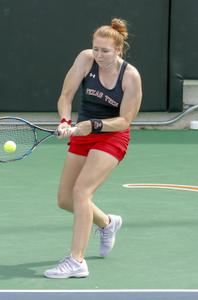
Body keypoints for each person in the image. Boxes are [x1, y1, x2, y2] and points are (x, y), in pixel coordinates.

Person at [44, 18, 142, 279]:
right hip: (82, 132)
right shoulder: (85, 60)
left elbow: (125, 120)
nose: (99, 55)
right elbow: (65, 96)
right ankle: (107, 223)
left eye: (105, 51)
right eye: (96, 49)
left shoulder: (130, 77)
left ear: (118, 50)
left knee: (81, 191)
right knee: (65, 199)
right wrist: (66, 121)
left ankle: (76, 261)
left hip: (112, 136)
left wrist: (95, 125)